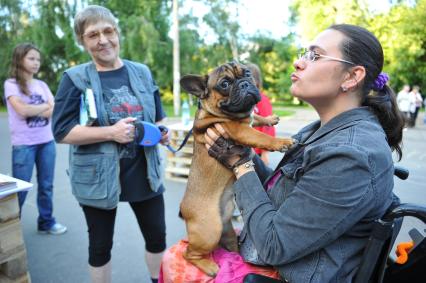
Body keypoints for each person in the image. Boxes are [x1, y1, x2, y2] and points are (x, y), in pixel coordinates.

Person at [202, 24, 405, 282]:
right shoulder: (322, 130)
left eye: (315, 56)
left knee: (178, 260)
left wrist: (239, 163)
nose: (298, 63)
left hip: (289, 274)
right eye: (304, 53)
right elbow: (278, 190)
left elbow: (274, 245)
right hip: (272, 261)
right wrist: (243, 154)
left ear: (352, 77)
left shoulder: (350, 154)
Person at [51, 5, 169, 283]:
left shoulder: (141, 71)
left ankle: (157, 280)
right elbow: (62, 131)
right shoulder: (75, 79)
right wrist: (110, 133)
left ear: (117, 34)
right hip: (96, 178)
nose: (103, 40)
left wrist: (162, 131)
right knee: (101, 246)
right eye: (93, 35)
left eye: (108, 31)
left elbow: (159, 115)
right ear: (82, 40)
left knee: (157, 237)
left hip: (145, 173)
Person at [4, 43, 67, 235]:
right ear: (19, 59)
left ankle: (46, 222)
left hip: (46, 142)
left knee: (46, 185)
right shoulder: (11, 84)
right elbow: (22, 111)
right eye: (31, 58)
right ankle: (10, 230)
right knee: (20, 190)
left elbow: (54, 110)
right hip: (24, 145)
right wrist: (43, 107)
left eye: (38, 59)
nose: (36, 63)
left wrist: (37, 108)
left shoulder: (42, 85)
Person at [246, 63, 276, 166]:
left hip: (257, 152)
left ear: (257, 82)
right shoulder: (243, 101)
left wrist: (265, 152)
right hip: (244, 149)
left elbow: (268, 126)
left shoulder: (262, 99)